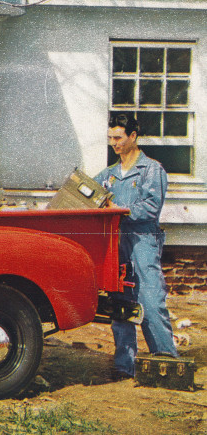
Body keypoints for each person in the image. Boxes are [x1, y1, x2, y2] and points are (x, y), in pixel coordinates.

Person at [94, 113, 177, 379]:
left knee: (151, 300)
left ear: (133, 136)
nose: (114, 144)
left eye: (118, 138)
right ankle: (124, 366)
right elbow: (89, 194)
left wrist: (120, 210)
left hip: (143, 242)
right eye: (110, 139)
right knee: (120, 304)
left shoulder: (152, 170)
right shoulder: (108, 175)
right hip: (116, 245)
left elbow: (151, 208)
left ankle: (166, 362)